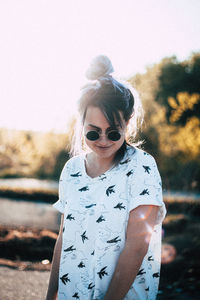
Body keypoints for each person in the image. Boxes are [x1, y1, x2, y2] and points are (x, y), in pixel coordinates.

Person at [46, 55, 166, 300]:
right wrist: (51, 294)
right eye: (93, 132)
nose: (103, 140)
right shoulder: (71, 170)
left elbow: (137, 245)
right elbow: (64, 237)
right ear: (81, 124)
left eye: (113, 133)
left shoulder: (142, 167)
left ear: (128, 124)